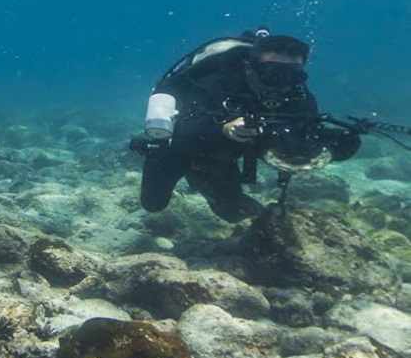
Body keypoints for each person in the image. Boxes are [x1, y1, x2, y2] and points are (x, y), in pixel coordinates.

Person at [133, 28, 361, 221]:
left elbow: (307, 132)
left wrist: (330, 148)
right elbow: (183, 130)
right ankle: (190, 171)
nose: (280, 81)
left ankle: (205, 180)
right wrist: (223, 128)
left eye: (291, 73)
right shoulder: (215, 80)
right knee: (153, 205)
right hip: (177, 146)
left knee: (234, 214)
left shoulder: (296, 93)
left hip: (224, 154)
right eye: (273, 71)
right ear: (251, 66)